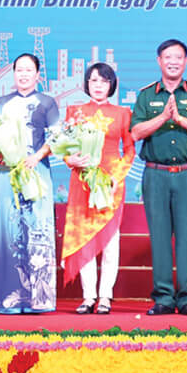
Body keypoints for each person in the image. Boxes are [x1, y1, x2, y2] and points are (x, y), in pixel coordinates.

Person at [131, 39, 187, 316]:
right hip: (156, 175)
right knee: (160, 237)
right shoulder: (146, 95)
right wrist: (163, 117)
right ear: (159, 61)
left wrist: (179, 119)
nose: (173, 62)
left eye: (178, 57)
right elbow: (136, 132)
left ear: (185, 61)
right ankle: (163, 297)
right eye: (168, 57)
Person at [0, 53, 61, 314]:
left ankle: (39, 299)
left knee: (37, 230)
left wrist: (36, 157)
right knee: (9, 232)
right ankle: (8, 298)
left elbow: (55, 138)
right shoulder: (1, 103)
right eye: (19, 70)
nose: (23, 74)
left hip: (36, 171)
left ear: (38, 75)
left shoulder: (47, 102)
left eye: (28, 70)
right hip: (7, 173)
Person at [61, 62, 134, 315]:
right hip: (82, 181)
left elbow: (130, 150)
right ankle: (88, 295)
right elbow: (65, 147)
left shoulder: (123, 113)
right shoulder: (75, 112)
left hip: (110, 183)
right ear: (86, 84)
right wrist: (70, 159)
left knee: (111, 239)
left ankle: (105, 296)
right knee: (85, 239)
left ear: (111, 85)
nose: (98, 85)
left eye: (104, 81)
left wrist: (116, 177)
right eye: (93, 80)